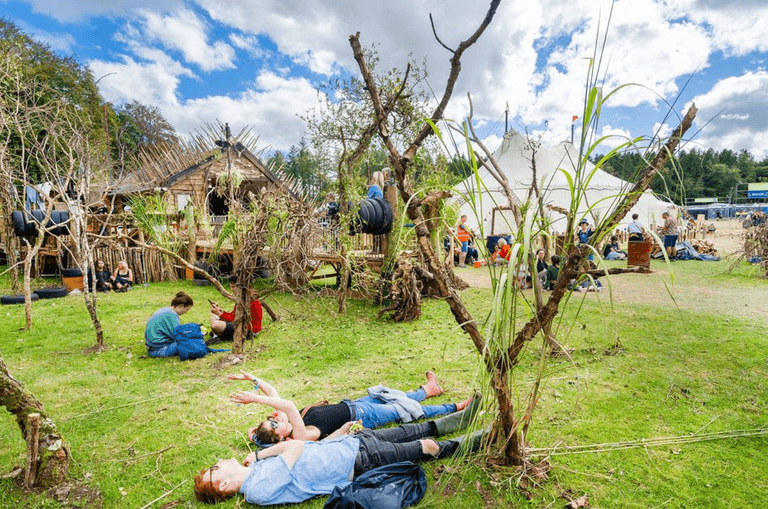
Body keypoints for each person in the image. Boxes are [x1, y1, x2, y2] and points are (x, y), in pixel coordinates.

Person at [193, 407, 484, 505]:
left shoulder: (258, 471)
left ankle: (462, 418)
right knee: (424, 447)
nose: (218, 463)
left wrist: (339, 434)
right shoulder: (257, 489)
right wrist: (259, 456)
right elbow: (296, 446)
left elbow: (309, 456)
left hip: (350, 444)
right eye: (213, 469)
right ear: (221, 485)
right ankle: (482, 438)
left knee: (409, 430)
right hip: (358, 462)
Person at [228, 370, 476, 446]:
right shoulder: (302, 436)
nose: (275, 419)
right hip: (365, 418)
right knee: (407, 412)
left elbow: (273, 393)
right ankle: (455, 406)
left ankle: (429, 389)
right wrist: (256, 400)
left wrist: (253, 381)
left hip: (354, 405)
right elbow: (288, 405)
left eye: (270, 420)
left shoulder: (289, 423)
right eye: (273, 424)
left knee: (397, 396)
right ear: (281, 436)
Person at [209, 275, 263, 343]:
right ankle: (218, 335)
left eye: (233, 287)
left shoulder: (249, 299)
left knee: (215, 325)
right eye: (231, 286)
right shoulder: (241, 297)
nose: (232, 289)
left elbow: (237, 320)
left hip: (248, 330)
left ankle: (218, 336)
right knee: (213, 316)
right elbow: (233, 314)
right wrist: (219, 311)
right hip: (239, 324)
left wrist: (220, 313)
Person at [144, 291, 194, 357]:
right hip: (159, 349)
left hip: (152, 347)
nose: (186, 312)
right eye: (186, 309)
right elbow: (177, 335)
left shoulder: (165, 310)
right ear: (181, 306)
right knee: (188, 343)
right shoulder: (171, 315)